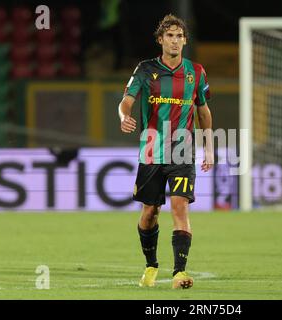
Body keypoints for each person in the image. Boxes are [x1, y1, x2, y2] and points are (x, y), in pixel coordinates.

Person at [117, 14, 213, 289]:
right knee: (150, 214)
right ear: (160, 40)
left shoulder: (196, 72)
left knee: (180, 206)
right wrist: (123, 116)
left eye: (179, 36)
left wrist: (209, 147)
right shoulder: (146, 69)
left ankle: (180, 272)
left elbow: (203, 111)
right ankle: (151, 265)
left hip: (182, 151)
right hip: (151, 152)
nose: (175, 40)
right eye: (169, 35)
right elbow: (126, 101)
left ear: (185, 40)